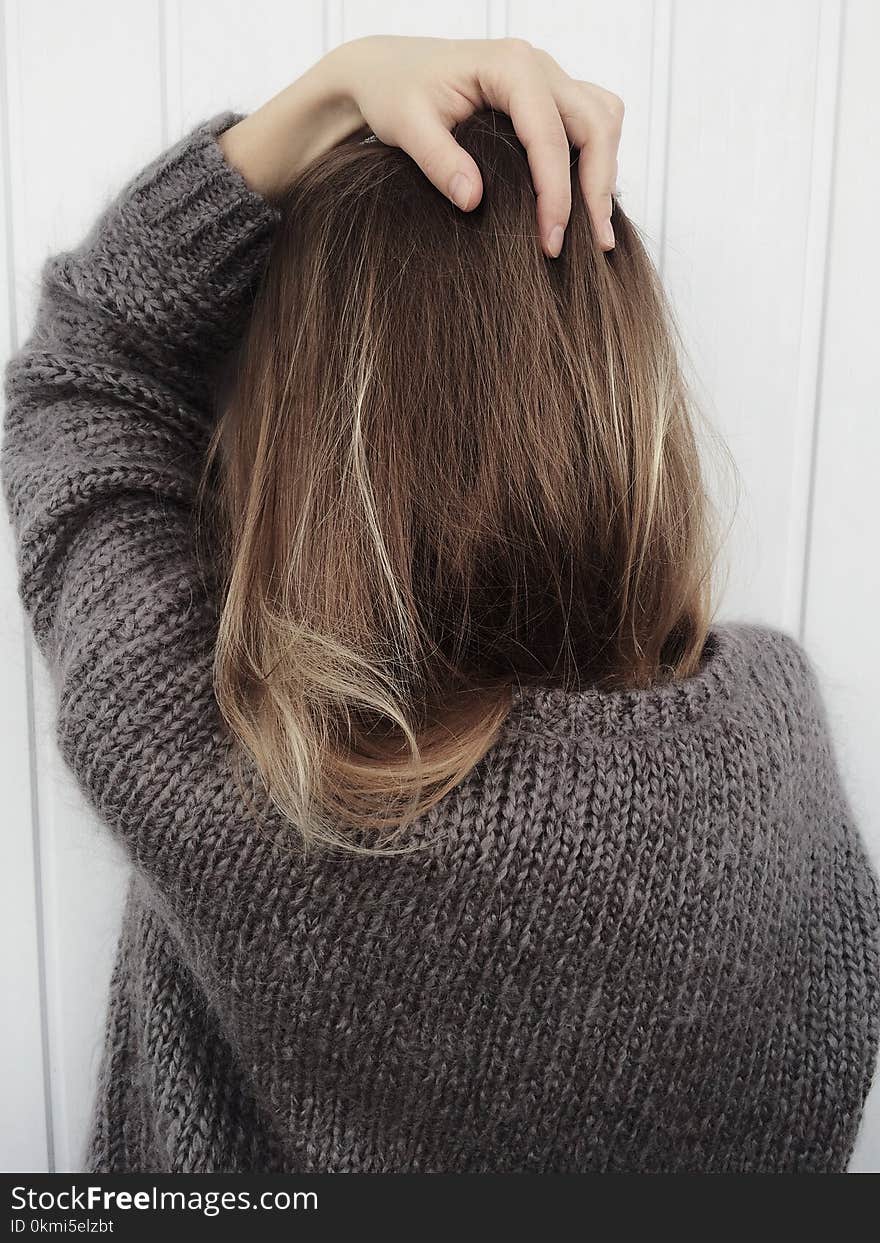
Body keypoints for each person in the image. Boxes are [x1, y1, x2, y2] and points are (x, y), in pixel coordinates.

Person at [2, 35, 878, 1175]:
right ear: (618, 401)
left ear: (307, 439)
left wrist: (326, 90)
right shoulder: (778, 765)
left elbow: (86, 364)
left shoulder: (223, 767)